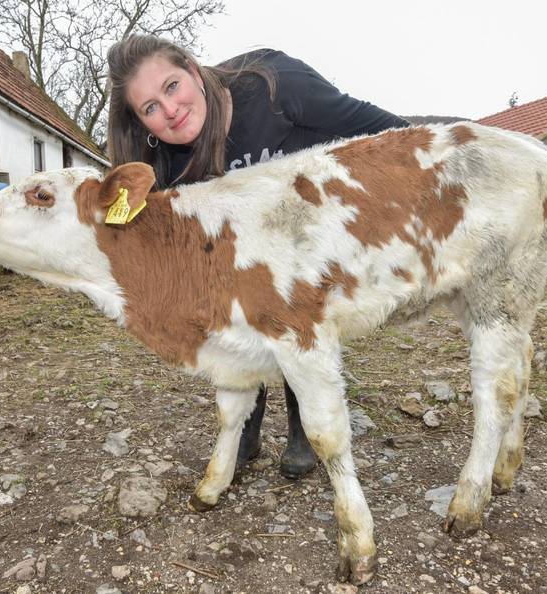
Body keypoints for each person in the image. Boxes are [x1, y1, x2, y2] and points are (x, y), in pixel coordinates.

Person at [107, 34, 409, 479]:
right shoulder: (165, 165)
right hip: (240, 264)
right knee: (226, 298)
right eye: (150, 107)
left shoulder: (276, 86)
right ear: (141, 123)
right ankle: (245, 421)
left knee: (289, 306)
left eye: (172, 86)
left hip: (308, 240)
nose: (169, 111)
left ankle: (303, 423)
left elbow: (388, 134)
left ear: (193, 69)